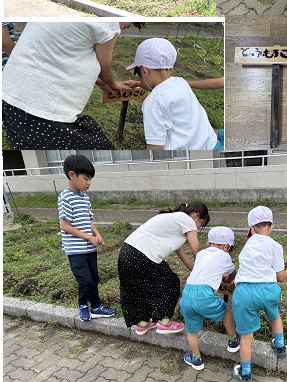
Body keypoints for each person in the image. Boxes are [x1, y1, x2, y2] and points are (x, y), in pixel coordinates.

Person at [2, 22, 132, 148]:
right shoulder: (108, 22)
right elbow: (105, 68)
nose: (121, 30)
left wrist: (103, 85)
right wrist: (114, 84)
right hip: (40, 111)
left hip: (12, 96)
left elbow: (66, 55)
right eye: (126, 26)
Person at [118, 202, 210, 335]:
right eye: (201, 224)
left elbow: (183, 256)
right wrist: (206, 271)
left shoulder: (173, 222)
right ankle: (164, 322)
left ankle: (143, 323)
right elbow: (197, 251)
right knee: (170, 282)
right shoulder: (186, 220)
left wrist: (197, 272)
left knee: (140, 288)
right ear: (196, 216)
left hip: (126, 253)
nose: (198, 228)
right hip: (142, 255)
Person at [231, 206, 287, 382]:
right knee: (274, 314)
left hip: (244, 293)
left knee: (246, 337)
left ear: (251, 229)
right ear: (272, 226)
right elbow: (280, 276)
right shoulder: (276, 246)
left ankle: (245, 374)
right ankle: (280, 347)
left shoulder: (247, 246)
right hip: (268, 291)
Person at [124, 37, 220, 150]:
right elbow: (160, 88)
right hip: (211, 144)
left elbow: (155, 149)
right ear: (171, 68)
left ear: (144, 71)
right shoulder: (180, 82)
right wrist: (136, 84)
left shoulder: (153, 103)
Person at [58, 154, 116, 323]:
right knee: (85, 280)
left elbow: (88, 221)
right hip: (75, 250)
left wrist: (97, 235)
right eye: (86, 178)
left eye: (90, 179)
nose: (88, 183)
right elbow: (65, 225)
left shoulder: (84, 198)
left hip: (89, 248)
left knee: (94, 278)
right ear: (72, 175)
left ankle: (96, 307)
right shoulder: (65, 197)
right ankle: (83, 305)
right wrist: (89, 238)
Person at [180, 226, 240, 370]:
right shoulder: (224, 256)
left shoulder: (200, 254)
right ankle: (233, 340)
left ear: (208, 243)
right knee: (226, 310)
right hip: (204, 295)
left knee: (192, 332)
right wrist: (227, 278)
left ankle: (196, 359)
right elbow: (232, 273)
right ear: (226, 246)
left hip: (187, 295)